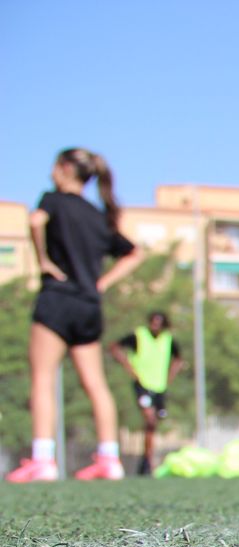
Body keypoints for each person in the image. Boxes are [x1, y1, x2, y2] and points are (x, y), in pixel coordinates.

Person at [7, 148, 143, 483]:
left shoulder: (52, 200)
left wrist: (42, 261)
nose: (52, 173)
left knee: (42, 377)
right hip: (88, 305)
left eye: (55, 167)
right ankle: (109, 459)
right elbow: (134, 253)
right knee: (95, 384)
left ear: (66, 169)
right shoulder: (98, 216)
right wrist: (101, 283)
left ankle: (43, 460)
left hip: (58, 298)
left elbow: (35, 221)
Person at [109, 310, 183, 475]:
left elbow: (179, 359)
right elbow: (115, 347)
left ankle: (146, 460)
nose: (155, 326)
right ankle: (147, 461)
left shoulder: (168, 340)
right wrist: (129, 367)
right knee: (149, 419)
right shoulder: (139, 336)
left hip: (159, 387)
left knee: (154, 423)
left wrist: (170, 376)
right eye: (153, 322)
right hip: (142, 384)